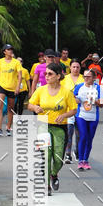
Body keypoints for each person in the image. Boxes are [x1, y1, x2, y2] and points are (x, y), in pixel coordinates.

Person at [29, 61, 77, 194]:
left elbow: (73, 110)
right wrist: (35, 107)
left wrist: (64, 115)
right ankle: (46, 186)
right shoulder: (40, 90)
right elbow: (30, 104)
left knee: (58, 158)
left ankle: (54, 174)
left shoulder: (66, 92)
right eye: (45, 74)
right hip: (43, 125)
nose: (46, 76)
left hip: (60, 127)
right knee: (46, 154)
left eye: (50, 74)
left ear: (58, 76)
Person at [0, 44, 22, 136]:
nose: (10, 51)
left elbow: (19, 76)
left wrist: (17, 87)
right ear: (4, 52)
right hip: (1, 86)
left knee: (10, 109)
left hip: (12, 87)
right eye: (8, 49)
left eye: (11, 49)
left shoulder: (16, 62)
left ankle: (8, 128)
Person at [74, 68, 101, 170]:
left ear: (94, 78)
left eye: (88, 76)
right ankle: (80, 160)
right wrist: (77, 99)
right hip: (81, 115)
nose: (86, 78)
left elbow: (101, 104)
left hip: (93, 116)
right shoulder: (79, 87)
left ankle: (86, 160)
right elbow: (74, 99)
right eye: (84, 76)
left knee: (89, 139)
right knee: (83, 136)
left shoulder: (98, 88)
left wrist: (94, 100)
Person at [61, 60, 84, 163]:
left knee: (79, 134)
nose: (75, 69)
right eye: (73, 67)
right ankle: (68, 154)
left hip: (81, 110)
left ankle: (78, 152)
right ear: (70, 68)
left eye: (77, 67)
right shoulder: (64, 79)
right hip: (68, 110)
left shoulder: (83, 78)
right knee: (69, 133)